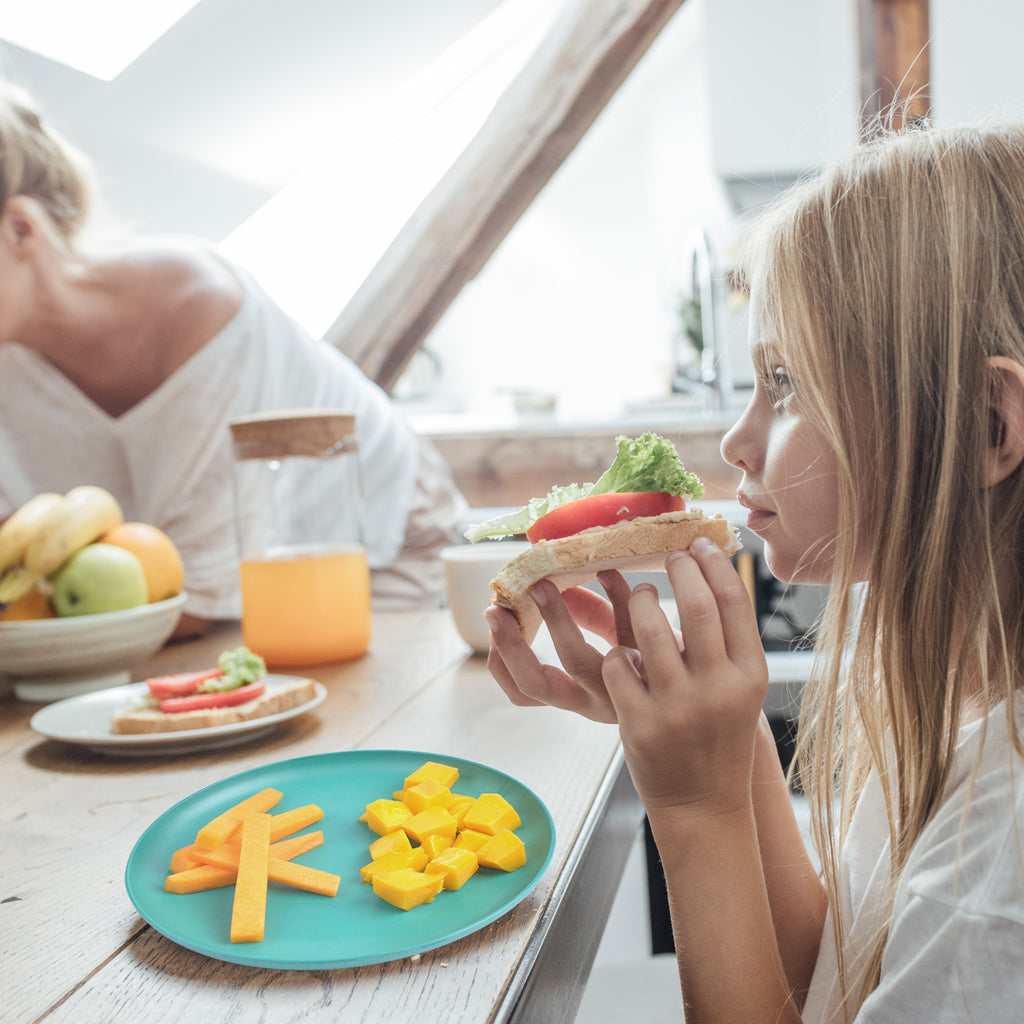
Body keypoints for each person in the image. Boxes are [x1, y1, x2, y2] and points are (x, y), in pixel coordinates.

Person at [487, 120, 1024, 1022]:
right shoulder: (949, 668)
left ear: (984, 426)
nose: (737, 443)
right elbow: (835, 971)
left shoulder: (1004, 837)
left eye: (788, 384)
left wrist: (694, 811)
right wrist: (722, 740)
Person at [0, 83, 467, 638]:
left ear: (20, 230)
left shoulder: (194, 305)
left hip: (381, 555)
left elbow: (196, 595)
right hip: (166, 609)